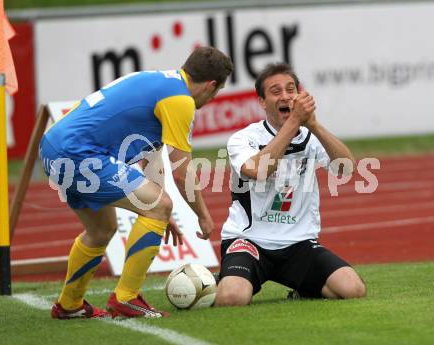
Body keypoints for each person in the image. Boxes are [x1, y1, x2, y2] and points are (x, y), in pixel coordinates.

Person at [39, 46, 233, 319]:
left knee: (102, 229)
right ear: (212, 85)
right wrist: (202, 215)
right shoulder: (181, 101)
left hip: (54, 147)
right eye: (217, 92)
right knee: (157, 206)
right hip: (79, 154)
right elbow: (181, 170)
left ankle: (69, 305)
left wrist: (158, 211)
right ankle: (126, 298)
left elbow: (151, 155)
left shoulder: (160, 81)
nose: (213, 98)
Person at [214, 62, 366, 306]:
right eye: (275, 91)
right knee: (232, 298)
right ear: (262, 102)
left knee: (352, 289)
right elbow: (259, 170)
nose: (285, 96)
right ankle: (222, 279)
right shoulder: (244, 138)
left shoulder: (311, 136)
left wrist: (314, 125)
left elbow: (346, 169)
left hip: (298, 243)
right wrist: (294, 122)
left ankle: (302, 288)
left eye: (290, 89)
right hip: (249, 241)